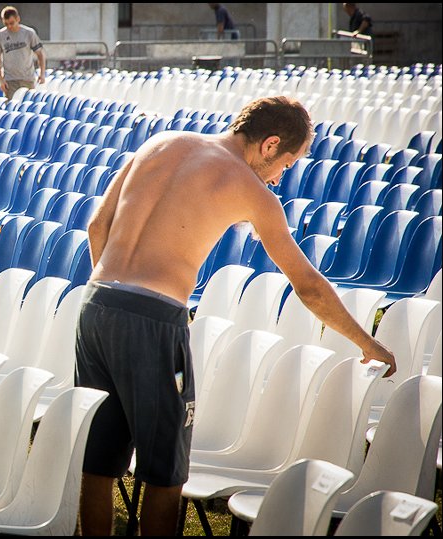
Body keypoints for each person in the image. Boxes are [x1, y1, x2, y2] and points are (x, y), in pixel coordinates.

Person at [76, 96, 396, 536]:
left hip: (95, 304)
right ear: (269, 145)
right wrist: (366, 341)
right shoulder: (250, 190)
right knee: (165, 473)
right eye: (288, 162)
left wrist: (114, 298)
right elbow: (307, 284)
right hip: (153, 317)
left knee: (98, 463)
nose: (282, 175)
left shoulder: (160, 142)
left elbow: (97, 226)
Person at [0, 5, 46, 100]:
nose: (9, 26)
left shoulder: (29, 33)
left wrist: (42, 73)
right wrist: (0, 79)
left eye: (12, 23)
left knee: (27, 106)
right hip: (10, 80)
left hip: (27, 78)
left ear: (18, 19)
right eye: (6, 24)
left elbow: (40, 53)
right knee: (11, 107)